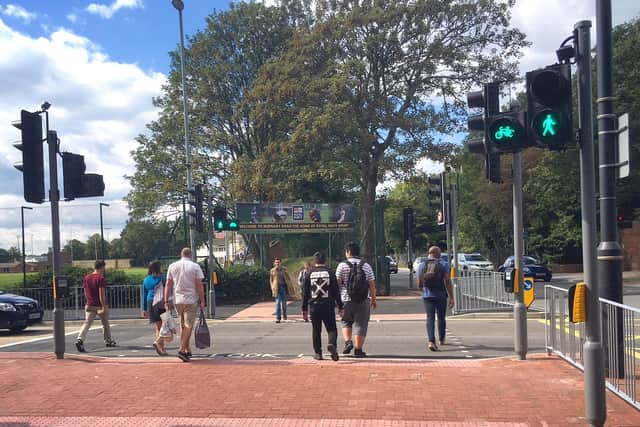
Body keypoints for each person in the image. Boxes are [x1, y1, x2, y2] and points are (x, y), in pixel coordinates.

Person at [335, 241, 377, 358]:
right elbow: (372, 285)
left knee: (345, 321)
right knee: (361, 324)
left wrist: (337, 301)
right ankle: (358, 350)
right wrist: (373, 299)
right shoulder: (366, 265)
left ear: (348, 252)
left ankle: (348, 342)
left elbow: (337, 284)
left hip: (345, 299)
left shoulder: (342, 265)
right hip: (363, 300)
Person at [164, 248, 205, 362]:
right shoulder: (195, 266)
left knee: (182, 326)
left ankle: (187, 350)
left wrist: (166, 300)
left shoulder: (172, 266)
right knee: (188, 325)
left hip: (177, 299)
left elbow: (168, 284)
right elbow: (199, 285)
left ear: (181, 254)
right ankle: (182, 350)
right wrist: (202, 300)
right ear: (191, 255)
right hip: (191, 299)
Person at [302, 252, 344, 361]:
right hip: (328, 305)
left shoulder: (309, 273)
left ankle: (318, 353)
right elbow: (336, 291)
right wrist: (340, 306)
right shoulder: (330, 273)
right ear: (325, 261)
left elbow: (305, 292)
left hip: (314, 306)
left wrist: (304, 309)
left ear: (314, 261)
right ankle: (332, 344)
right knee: (331, 329)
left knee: (316, 330)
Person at [416, 246, 455, 351]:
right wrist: (451, 297)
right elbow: (447, 281)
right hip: (441, 295)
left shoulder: (421, 265)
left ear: (429, 253)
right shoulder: (444, 264)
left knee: (430, 318)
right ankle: (441, 339)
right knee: (441, 317)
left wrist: (423, 290)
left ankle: (431, 341)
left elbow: (419, 282)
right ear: (439, 254)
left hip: (427, 296)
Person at [75, 260, 116, 352]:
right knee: (105, 323)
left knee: (87, 323)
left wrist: (88, 301)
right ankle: (108, 341)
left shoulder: (87, 277)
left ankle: (80, 339)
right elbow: (101, 294)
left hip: (89, 304)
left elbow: (85, 292)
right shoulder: (100, 278)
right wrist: (104, 306)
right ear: (102, 267)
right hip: (99, 305)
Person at [142, 260, 167, 356]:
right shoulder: (162, 278)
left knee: (158, 326)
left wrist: (144, 309)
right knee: (164, 325)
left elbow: (144, 294)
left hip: (150, 302)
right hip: (160, 302)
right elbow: (167, 288)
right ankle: (158, 343)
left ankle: (162, 348)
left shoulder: (146, 279)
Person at [269, 258, 299, 323]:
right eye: (276, 262)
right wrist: (272, 287)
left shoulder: (284, 269)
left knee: (284, 304)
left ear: (280, 263)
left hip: (283, 287)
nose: (277, 263)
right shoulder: (272, 270)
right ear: (274, 263)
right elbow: (271, 280)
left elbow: (288, 278)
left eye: (278, 262)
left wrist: (290, 285)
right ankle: (278, 318)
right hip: (276, 288)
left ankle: (285, 315)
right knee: (277, 303)